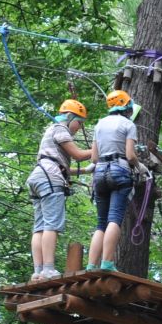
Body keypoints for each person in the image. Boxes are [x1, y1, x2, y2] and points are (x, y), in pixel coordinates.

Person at [27, 99, 93, 277]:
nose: (79, 127)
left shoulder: (51, 130)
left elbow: (61, 165)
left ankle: (38, 271)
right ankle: (48, 268)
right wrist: (99, 149)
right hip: (50, 178)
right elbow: (78, 155)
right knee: (51, 225)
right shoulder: (60, 129)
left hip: (39, 177)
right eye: (79, 122)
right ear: (70, 117)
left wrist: (86, 170)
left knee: (39, 227)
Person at [88, 90, 140, 272]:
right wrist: (140, 166)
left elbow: (94, 158)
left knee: (101, 222)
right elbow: (130, 155)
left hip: (100, 172)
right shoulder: (128, 124)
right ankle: (107, 263)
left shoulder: (99, 125)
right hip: (120, 171)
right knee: (114, 219)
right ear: (127, 106)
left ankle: (91, 265)